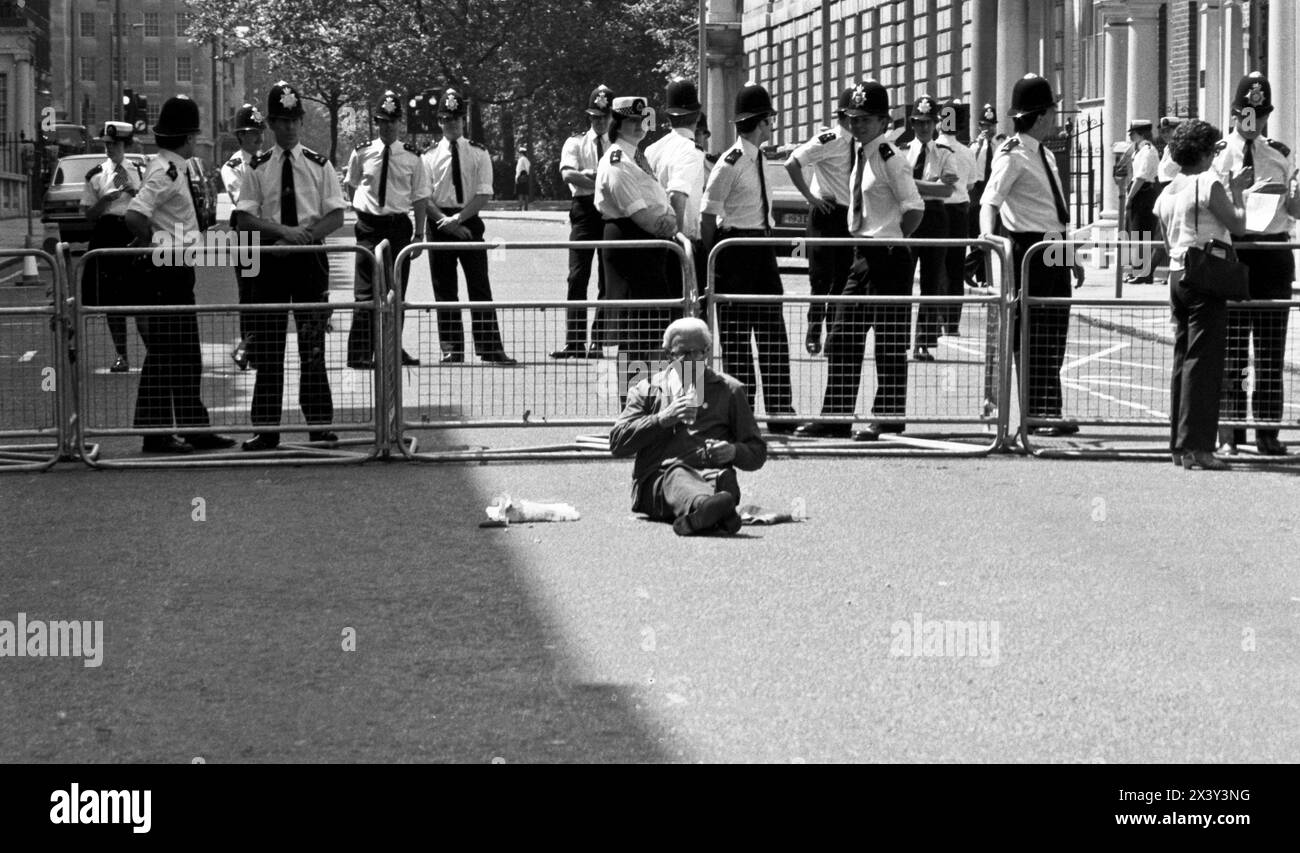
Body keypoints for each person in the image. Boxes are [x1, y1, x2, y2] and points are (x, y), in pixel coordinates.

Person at [795, 80, 925, 440]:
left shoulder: (889, 157)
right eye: (852, 118)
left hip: (886, 255)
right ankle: (836, 416)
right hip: (861, 254)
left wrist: (893, 239)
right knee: (843, 336)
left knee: (888, 340)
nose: (857, 125)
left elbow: (914, 208)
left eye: (866, 119)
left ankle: (888, 417)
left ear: (884, 121)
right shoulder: (861, 153)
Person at [235, 80, 344, 451]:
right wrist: (282, 233)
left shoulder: (319, 164)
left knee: (312, 345)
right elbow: (244, 219)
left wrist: (305, 237)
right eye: (282, 121)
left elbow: (335, 216)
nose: (289, 127)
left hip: (308, 261)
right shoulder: (258, 168)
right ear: (271, 123)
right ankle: (266, 428)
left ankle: (319, 425)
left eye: (294, 119)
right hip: (271, 261)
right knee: (269, 346)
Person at [122, 97, 235, 454]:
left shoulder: (175, 168)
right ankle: (156, 434)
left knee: (184, 354)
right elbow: (134, 215)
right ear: (187, 138)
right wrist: (160, 244)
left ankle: (192, 427)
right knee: (166, 355)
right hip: (164, 271)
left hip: (177, 270)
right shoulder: (165, 172)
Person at [980, 73, 1083, 437]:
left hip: (1052, 246)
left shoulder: (1045, 153)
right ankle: (1036, 413)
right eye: (1052, 112)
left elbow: (1051, 211)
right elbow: (989, 201)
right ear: (1040, 115)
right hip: (1028, 249)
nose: (1055, 118)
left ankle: (1047, 410)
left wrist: (1071, 257)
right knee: (1032, 333)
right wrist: (987, 238)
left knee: (1054, 332)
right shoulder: (1011, 155)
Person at [609, 317, 764, 537]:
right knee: (677, 472)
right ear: (667, 355)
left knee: (720, 477)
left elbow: (757, 452)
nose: (691, 360)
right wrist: (662, 419)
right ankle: (711, 508)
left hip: (709, 473)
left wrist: (733, 451)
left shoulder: (729, 390)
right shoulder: (647, 389)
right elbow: (617, 443)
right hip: (659, 480)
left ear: (707, 352)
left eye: (697, 353)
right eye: (683, 354)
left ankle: (708, 514)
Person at [700, 82, 796, 434]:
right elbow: (708, 214)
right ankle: (743, 412)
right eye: (769, 119)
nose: (772, 126)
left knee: (772, 331)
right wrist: (711, 262)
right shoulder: (732, 161)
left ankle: (780, 408)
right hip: (736, 247)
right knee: (738, 337)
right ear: (762, 122)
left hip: (761, 246)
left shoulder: (759, 158)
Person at [1213, 71, 1300, 456]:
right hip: (1235, 251)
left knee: (1269, 350)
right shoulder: (1217, 155)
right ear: (1235, 114)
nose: (1253, 123)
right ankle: (1231, 431)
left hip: (1273, 254)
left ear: (1266, 116)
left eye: (1260, 116)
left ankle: (1267, 430)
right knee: (1232, 347)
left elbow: (1293, 211)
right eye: (1247, 115)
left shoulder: (1280, 155)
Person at [1155, 119, 1249, 471]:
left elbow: (1166, 241)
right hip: (1205, 275)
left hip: (1178, 273)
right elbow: (1238, 225)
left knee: (1182, 360)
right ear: (1207, 152)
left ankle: (1179, 445)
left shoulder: (1168, 191)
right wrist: (1238, 191)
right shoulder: (1209, 182)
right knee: (1204, 364)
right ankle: (1199, 447)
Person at [594, 95, 680, 403]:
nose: (638, 126)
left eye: (641, 120)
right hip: (632, 242)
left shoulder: (637, 157)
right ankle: (632, 406)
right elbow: (641, 215)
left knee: (651, 328)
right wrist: (668, 223)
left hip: (648, 246)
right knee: (635, 329)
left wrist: (668, 219)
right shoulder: (617, 160)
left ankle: (652, 402)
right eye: (631, 121)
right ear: (617, 124)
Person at [422, 87, 516, 365]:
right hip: (438, 221)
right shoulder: (427, 156)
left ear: (463, 121)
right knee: (445, 288)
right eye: (447, 120)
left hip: (469, 219)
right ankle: (452, 348)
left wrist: (459, 220)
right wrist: (446, 222)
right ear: (439, 122)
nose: (452, 124)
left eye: (457, 119)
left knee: (479, 285)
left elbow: (484, 193)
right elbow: (423, 197)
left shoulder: (478, 152)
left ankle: (489, 347)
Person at [343, 89, 428, 369]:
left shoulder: (413, 158)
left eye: (393, 122)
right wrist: (361, 213)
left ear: (400, 124)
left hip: (397, 227)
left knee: (396, 291)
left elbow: (419, 197)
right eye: (382, 121)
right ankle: (359, 352)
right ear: (376, 123)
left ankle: (391, 349)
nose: (388, 127)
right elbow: (351, 184)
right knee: (365, 292)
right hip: (369, 225)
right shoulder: (363, 152)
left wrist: (419, 234)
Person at [786, 85, 860, 356]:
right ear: (843, 116)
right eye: (854, 116)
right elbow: (793, 162)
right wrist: (810, 197)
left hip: (847, 217)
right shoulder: (830, 140)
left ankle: (833, 336)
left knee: (842, 280)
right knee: (820, 278)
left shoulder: (861, 143)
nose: (857, 122)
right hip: (825, 213)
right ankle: (814, 328)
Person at [555, 84, 615, 358]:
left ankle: (598, 341)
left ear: (612, 117)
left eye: (603, 117)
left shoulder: (619, 145)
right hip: (584, 210)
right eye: (594, 117)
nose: (598, 122)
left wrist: (590, 175)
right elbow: (568, 175)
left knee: (607, 277)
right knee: (577, 276)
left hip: (610, 210)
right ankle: (574, 340)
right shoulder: (576, 142)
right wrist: (598, 177)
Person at [81, 120, 145, 373]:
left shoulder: (140, 170)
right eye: (107, 145)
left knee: (140, 296)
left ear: (125, 145)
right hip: (107, 233)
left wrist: (135, 192)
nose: (110, 149)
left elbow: (151, 202)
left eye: (115, 144)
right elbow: (88, 214)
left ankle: (154, 353)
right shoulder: (95, 174)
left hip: (132, 231)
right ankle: (122, 355)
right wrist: (105, 201)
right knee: (112, 301)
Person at [902, 94, 957, 362]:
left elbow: (947, 190)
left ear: (936, 124)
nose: (924, 128)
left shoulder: (945, 153)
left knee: (932, 281)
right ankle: (899, 339)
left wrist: (915, 184)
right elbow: (897, 187)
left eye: (928, 123)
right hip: (910, 215)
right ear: (912, 123)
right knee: (902, 278)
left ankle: (923, 341)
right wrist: (929, 184)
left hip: (935, 217)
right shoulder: (902, 151)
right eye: (919, 123)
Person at [646, 78, 707, 305]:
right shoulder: (690, 150)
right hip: (682, 241)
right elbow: (677, 195)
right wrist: (680, 242)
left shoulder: (653, 148)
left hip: (655, 238)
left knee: (663, 314)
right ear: (698, 115)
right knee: (690, 312)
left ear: (669, 116)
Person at [221, 104, 266, 371]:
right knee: (249, 294)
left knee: (265, 293)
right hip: (247, 235)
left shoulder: (268, 161)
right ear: (240, 136)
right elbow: (244, 201)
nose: (258, 137)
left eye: (260, 131)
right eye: (251, 132)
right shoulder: (234, 166)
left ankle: (259, 347)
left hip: (266, 233)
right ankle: (247, 347)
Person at [937, 100, 977, 336]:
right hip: (959, 209)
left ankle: (938, 317)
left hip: (939, 209)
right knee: (955, 268)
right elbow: (971, 182)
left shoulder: (934, 148)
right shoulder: (966, 151)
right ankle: (952, 323)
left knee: (937, 266)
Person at [965, 103, 999, 287]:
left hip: (992, 190)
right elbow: (971, 163)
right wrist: (979, 143)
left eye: (992, 125)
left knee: (990, 235)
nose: (989, 129)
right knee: (976, 235)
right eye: (986, 125)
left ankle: (971, 269)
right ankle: (980, 277)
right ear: (980, 126)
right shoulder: (974, 146)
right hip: (977, 193)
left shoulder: (999, 144)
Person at [1123, 119, 1161, 284]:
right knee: (1136, 233)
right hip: (1138, 192)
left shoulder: (1148, 151)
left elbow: (1140, 178)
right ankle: (1138, 270)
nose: (1131, 136)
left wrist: (1130, 197)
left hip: (1144, 192)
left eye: (1133, 133)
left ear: (1140, 133)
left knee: (1142, 233)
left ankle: (1143, 272)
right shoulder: (1138, 150)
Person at [514, 145, 531, 211]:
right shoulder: (526, 159)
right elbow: (528, 169)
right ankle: (526, 207)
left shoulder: (521, 159)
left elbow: (519, 170)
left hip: (521, 176)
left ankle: (520, 207)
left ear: (521, 153)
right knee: (526, 193)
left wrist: (517, 177)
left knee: (520, 193)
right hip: (525, 176)